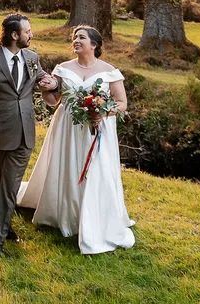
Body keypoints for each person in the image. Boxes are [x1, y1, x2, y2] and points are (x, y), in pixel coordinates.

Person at [19, 24, 136, 255]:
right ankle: (65, 215)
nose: (76, 40)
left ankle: (96, 217)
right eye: (74, 37)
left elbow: (122, 104)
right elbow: (54, 101)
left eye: (81, 37)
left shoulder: (110, 71)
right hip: (67, 128)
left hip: (98, 130)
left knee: (97, 172)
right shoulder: (62, 68)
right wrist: (46, 91)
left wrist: (102, 111)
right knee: (68, 167)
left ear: (94, 44)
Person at [0, 13, 58, 257]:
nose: (31, 34)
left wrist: (54, 83)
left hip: (25, 134)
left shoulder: (32, 58)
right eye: (27, 31)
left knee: (9, 186)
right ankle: (7, 228)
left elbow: (45, 79)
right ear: (15, 35)